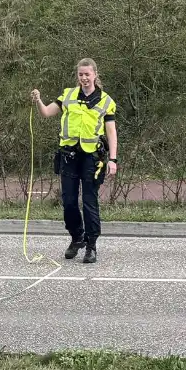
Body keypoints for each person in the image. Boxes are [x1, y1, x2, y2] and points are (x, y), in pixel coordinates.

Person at [30, 58, 118, 264]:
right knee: (69, 202)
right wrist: (38, 100)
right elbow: (46, 113)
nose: (84, 78)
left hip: (92, 157)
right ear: (77, 76)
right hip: (69, 155)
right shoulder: (68, 95)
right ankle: (76, 237)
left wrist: (113, 159)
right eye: (81, 75)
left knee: (89, 201)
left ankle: (91, 244)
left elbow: (111, 132)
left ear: (95, 74)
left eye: (87, 74)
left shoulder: (106, 101)